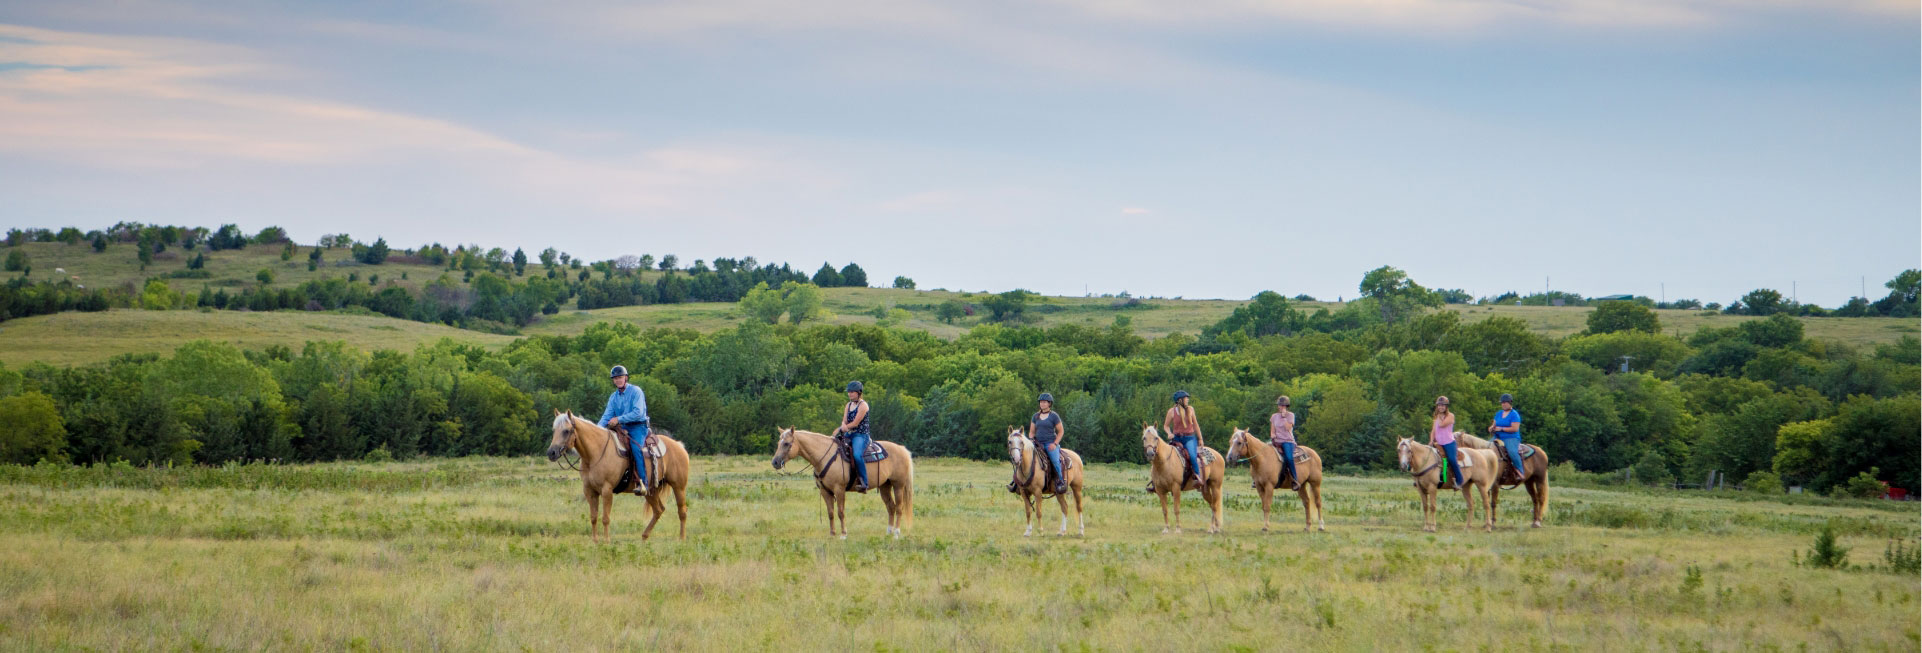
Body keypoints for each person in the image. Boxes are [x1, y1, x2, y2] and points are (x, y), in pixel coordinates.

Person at [597, 365, 650, 494]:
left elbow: (638, 412)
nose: (618, 380)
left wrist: (619, 419)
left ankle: (643, 483)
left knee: (635, 447)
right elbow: (607, 416)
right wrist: (597, 430)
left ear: (626, 378)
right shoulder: (613, 397)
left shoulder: (636, 391)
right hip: (622, 428)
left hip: (638, 426)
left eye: (620, 377)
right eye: (615, 378)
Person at [830, 381, 871, 492]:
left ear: (859, 393)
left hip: (861, 435)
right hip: (849, 434)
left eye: (852, 392)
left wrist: (844, 427)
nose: (849, 394)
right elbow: (845, 420)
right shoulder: (848, 405)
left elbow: (855, 424)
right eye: (849, 392)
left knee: (857, 455)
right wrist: (841, 427)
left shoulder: (863, 406)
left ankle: (864, 483)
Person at [1160, 390, 1205, 490]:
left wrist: (1200, 438)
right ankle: (1159, 480)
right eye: (1186, 398)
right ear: (1180, 400)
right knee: (1165, 456)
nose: (1188, 399)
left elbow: (1196, 425)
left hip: (1189, 438)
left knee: (1193, 456)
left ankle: (1197, 478)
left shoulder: (1191, 409)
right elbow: (1166, 426)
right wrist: (1169, 433)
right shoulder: (1171, 412)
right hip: (1176, 438)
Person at [1028, 393, 1067, 494]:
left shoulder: (1054, 416)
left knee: (1055, 460)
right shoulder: (1035, 416)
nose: (1042, 404)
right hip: (1037, 443)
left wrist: (1055, 443)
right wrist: (1031, 440)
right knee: (1023, 457)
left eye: (1045, 402)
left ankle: (1060, 481)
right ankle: (1016, 482)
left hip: (1050, 443)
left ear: (1049, 404)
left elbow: (1061, 431)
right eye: (1041, 402)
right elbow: (1032, 432)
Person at [1488, 393, 1525, 482]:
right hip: (1498, 437)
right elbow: (1494, 425)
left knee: (1512, 452)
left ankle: (1520, 472)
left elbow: (1515, 428)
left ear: (1510, 403)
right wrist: (1491, 428)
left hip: (1511, 438)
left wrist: (1501, 429)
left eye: (1505, 402)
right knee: (1487, 448)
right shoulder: (1498, 414)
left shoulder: (1514, 414)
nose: (1503, 404)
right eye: (1502, 402)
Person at [1431, 395, 1462, 490]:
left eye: (1443, 405)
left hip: (1449, 442)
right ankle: (1437, 479)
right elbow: (1433, 430)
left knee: (1452, 460)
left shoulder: (1450, 416)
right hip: (1439, 443)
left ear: (1446, 407)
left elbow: (1441, 424)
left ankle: (1459, 481)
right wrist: (1431, 440)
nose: (1440, 407)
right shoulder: (1436, 417)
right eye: (1439, 405)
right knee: (1434, 459)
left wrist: (1439, 417)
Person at [1270, 395, 1299, 490]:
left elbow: (1288, 428)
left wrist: (1284, 417)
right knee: (1262, 453)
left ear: (1286, 406)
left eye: (1282, 405)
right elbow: (1272, 430)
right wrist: (1273, 437)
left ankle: (1295, 480)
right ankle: (1257, 479)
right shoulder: (1274, 416)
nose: (1280, 407)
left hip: (1288, 441)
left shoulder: (1291, 415)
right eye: (1279, 405)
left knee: (1289, 458)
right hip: (1277, 441)